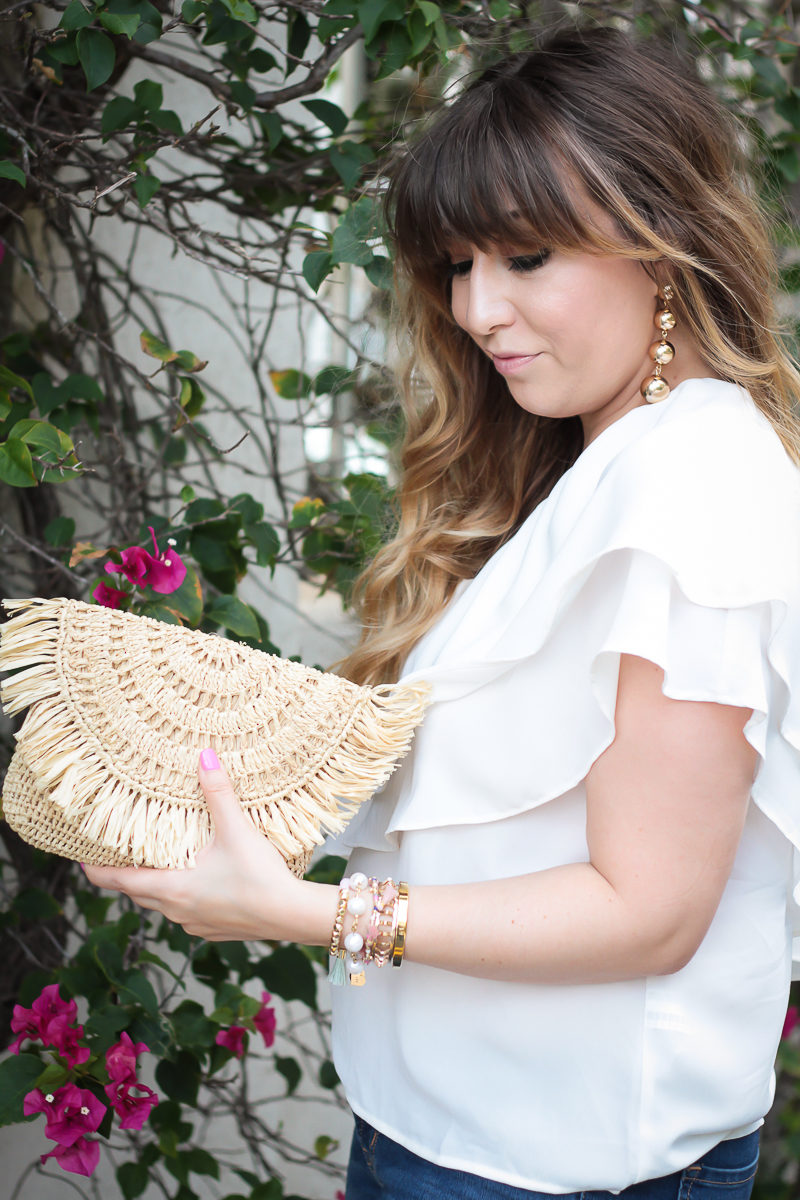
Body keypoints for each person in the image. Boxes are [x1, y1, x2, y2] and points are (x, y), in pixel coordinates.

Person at [85, 25, 800, 1200]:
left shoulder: (693, 489)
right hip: (444, 1130)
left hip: (547, 1165)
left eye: (524, 256)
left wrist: (304, 913)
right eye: (458, 264)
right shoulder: (595, 470)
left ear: (659, 246)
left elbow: (647, 914)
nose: (475, 308)